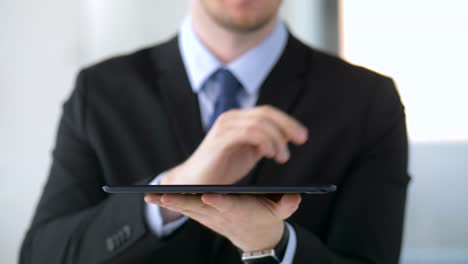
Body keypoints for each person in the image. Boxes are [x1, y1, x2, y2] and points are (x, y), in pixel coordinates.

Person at [20, 0, 409, 263]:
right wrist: (173, 185)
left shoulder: (368, 101)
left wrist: (274, 244)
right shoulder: (100, 91)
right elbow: (40, 254)